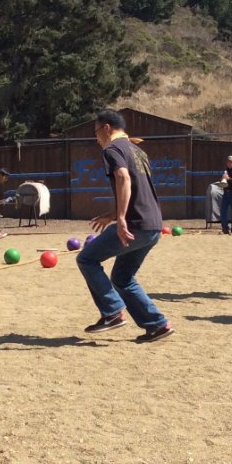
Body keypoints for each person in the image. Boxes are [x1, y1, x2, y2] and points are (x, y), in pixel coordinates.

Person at [75, 109, 172, 343]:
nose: (96, 138)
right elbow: (140, 189)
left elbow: (123, 178)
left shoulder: (112, 149)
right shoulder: (136, 150)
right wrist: (112, 215)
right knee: (122, 277)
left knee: (87, 259)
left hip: (135, 225)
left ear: (106, 128)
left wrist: (121, 219)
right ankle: (157, 325)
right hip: (152, 225)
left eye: (96, 132)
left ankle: (112, 312)